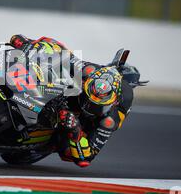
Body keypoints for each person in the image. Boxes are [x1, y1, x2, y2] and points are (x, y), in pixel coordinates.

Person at [9, 34, 135, 168]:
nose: (88, 106)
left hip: (80, 125)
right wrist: (28, 43)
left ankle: (49, 142)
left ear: (111, 103)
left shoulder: (109, 120)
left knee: (67, 152)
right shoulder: (89, 71)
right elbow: (61, 52)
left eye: (94, 105)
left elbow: (86, 159)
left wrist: (75, 131)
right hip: (66, 96)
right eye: (88, 99)